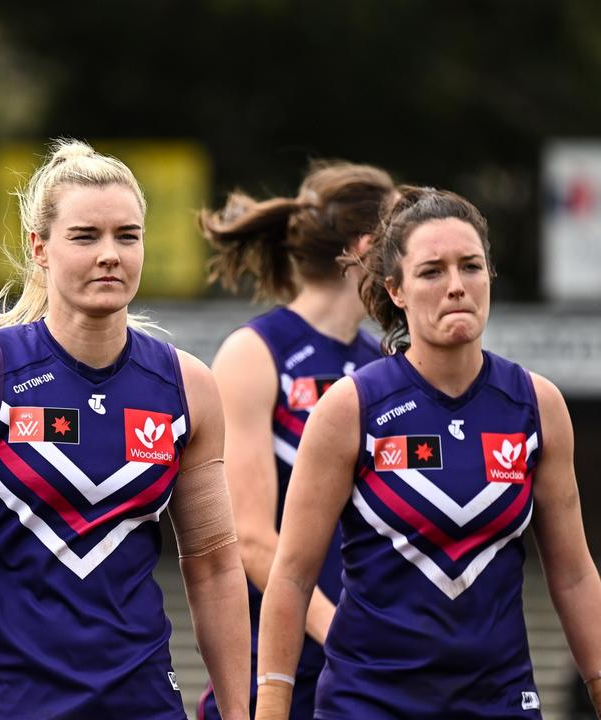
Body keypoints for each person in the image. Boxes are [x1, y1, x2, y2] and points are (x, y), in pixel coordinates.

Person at [0, 139, 251, 719]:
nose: (110, 254)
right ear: (39, 247)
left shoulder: (187, 386)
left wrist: (239, 712)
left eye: (127, 236)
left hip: (140, 700)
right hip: (4, 701)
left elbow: (213, 564)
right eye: (85, 236)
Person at [256, 188, 601, 719]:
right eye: (432, 271)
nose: (457, 286)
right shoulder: (350, 407)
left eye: (471, 266)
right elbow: (293, 576)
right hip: (369, 703)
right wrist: (273, 709)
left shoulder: (536, 404)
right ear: (396, 289)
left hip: (500, 702)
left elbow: (574, 575)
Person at [196, 162, 394, 719]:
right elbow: (252, 538)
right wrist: (342, 637)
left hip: (371, 672)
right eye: (399, 236)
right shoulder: (255, 353)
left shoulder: (384, 362)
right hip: (281, 666)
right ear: (369, 246)